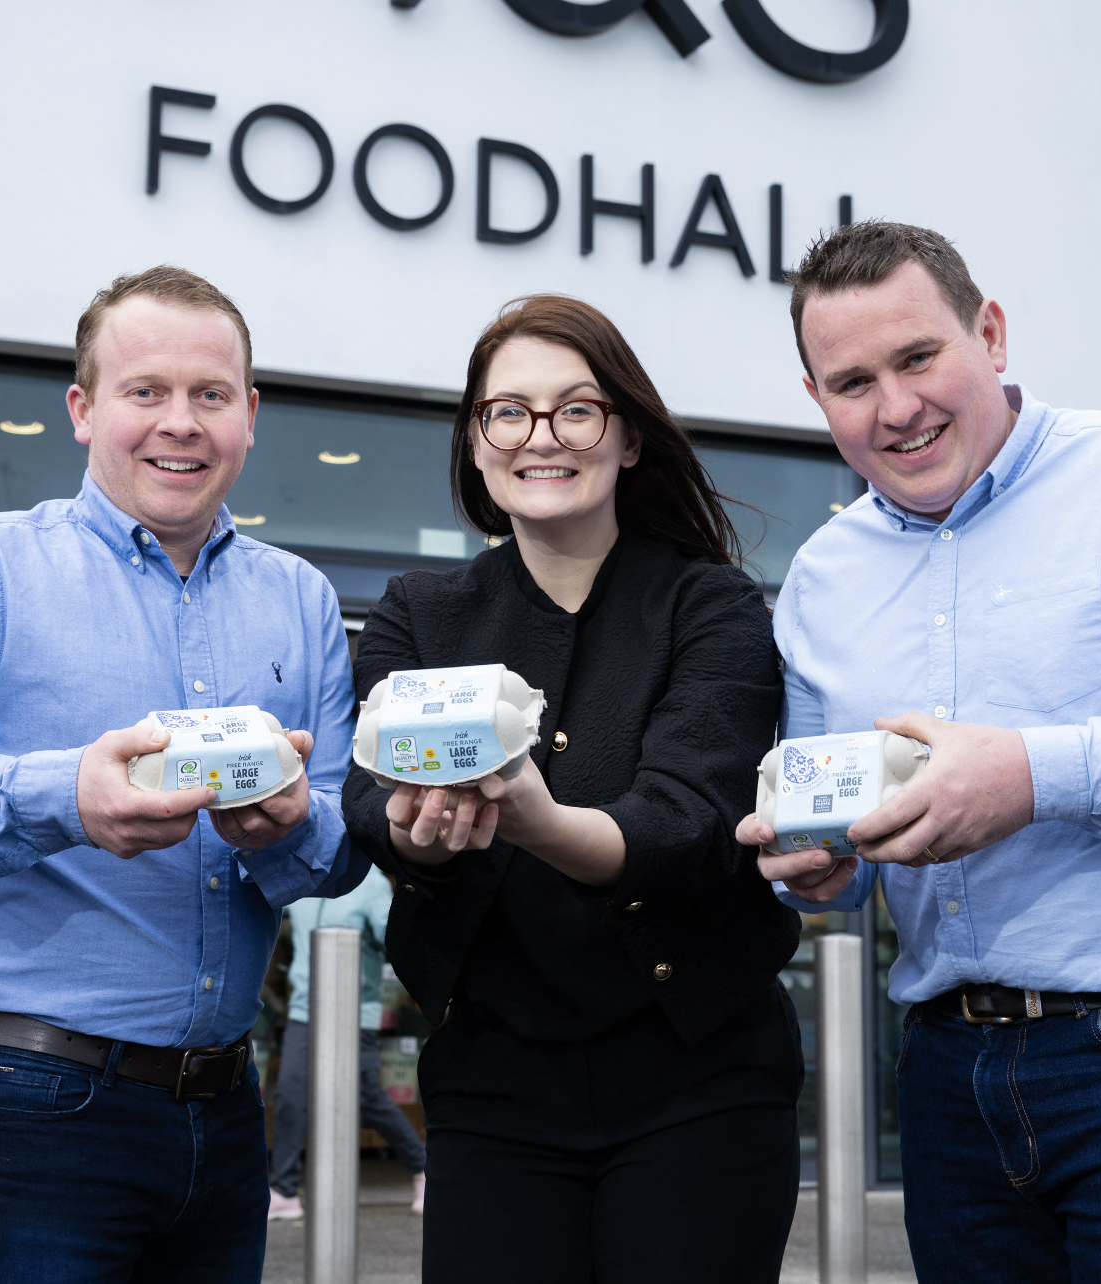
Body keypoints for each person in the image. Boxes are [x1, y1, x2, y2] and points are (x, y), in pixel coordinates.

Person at [739, 220, 1101, 1283]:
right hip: (944, 1077)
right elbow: (837, 843)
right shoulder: (819, 579)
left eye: (918, 357)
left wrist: (1032, 777)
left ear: (989, 334)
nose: (897, 407)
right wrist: (817, 868)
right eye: (853, 382)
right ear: (815, 398)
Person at [0, 265, 366, 1282]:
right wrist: (64, 799)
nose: (181, 422)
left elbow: (339, 842)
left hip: (225, 1105)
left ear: (249, 416)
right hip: (24, 1098)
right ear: (83, 410)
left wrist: (290, 829)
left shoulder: (302, 599)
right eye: (145, 391)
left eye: (211, 394)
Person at [344, 296, 803, 1284]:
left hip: (697, 1078)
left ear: (629, 438)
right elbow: (367, 801)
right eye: (508, 412)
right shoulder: (418, 612)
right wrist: (419, 832)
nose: (540, 436)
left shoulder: (712, 604)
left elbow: (688, 821)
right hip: (493, 1083)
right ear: (476, 442)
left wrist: (535, 820)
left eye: (577, 410)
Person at [268, 865, 427, 1220]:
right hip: (305, 1009)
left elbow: (395, 941)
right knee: (291, 1096)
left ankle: (423, 1167)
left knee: (365, 1096)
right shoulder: (301, 876)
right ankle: (284, 1191)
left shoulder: (370, 882)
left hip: (354, 1010)